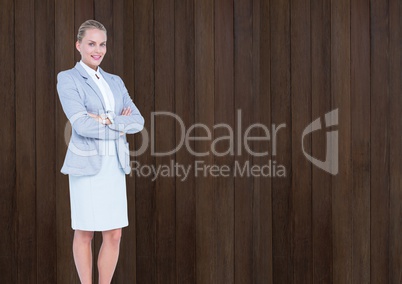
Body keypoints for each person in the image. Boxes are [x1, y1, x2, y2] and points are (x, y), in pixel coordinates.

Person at [57, 19, 144, 284]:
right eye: (91, 43)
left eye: (102, 44)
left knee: (114, 233)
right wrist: (119, 123)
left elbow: (138, 121)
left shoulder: (115, 81)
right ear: (78, 45)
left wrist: (105, 120)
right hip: (87, 165)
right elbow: (81, 124)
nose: (98, 50)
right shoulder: (68, 78)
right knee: (85, 232)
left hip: (114, 165)